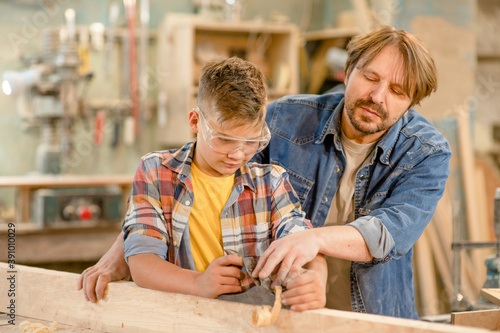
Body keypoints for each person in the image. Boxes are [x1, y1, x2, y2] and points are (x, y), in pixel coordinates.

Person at [78, 26, 451, 319]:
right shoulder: (286, 119)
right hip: (279, 312)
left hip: (372, 313)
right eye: (370, 77)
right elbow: (182, 175)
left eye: (398, 91)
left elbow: (389, 233)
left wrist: (312, 246)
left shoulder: (428, 154)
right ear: (348, 70)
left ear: (411, 102)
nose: (378, 96)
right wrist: (123, 254)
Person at [78, 56, 326, 311]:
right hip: (180, 320)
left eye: (252, 142)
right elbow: (142, 263)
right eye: (224, 140)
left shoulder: (271, 182)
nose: (238, 154)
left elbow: (305, 245)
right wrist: (198, 283)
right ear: (195, 121)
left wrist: (315, 278)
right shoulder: (156, 171)